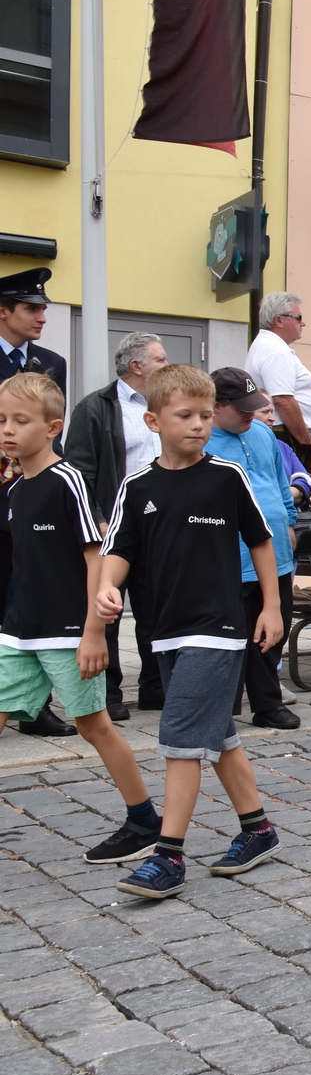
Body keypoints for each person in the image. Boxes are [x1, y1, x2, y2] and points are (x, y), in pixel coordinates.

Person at [100, 364, 284, 900]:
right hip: (166, 632)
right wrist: (106, 589)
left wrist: (271, 606)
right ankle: (258, 830)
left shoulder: (227, 477)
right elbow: (118, 550)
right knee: (216, 736)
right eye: (186, 416)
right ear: (153, 420)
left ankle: (168, 855)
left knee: (180, 742)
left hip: (220, 629)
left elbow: (262, 541)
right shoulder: (138, 487)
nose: (199, 425)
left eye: (206, 415)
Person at [0, 372, 161, 862]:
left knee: (94, 726)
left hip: (68, 632)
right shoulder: (11, 490)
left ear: (52, 428)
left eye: (19, 421)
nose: (7, 429)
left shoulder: (67, 480)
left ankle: (143, 820)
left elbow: (97, 558)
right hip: (17, 632)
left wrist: (95, 633)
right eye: (1, 419)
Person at [65, 331, 170, 720]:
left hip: (157, 526)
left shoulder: (163, 405)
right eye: (160, 359)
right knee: (106, 611)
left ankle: (156, 689)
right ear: (136, 365)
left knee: (156, 610)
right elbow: (79, 471)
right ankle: (108, 693)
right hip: (113, 527)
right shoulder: (95, 408)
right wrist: (97, 520)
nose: (167, 364)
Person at [0, 268, 74, 736]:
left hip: (35, 500)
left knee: (31, 596)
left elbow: (54, 432)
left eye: (44, 308)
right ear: (3, 312)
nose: (41, 316)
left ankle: (34, 705)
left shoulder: (51, 362)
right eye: (31, 308)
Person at [207, 369, 300, 731]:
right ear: (216, 407)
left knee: (272, 633)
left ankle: (267, 703)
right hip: (231, 557)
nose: (251, 414)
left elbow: (279, 482)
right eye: (241, 409)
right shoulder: (203, 441)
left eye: (254, 407)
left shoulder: (261, 433)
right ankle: (223, 704)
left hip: (274, 553)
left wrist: (289, 523)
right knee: (230, 634)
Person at [246, 292, 311, 470]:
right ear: (279, 320)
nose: (302, 323)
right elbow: (283, 400)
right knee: (294, 492)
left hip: (283, 434)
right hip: (285, 436)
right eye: (298, 318)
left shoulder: (267, 346)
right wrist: (304, 444)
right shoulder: (276, 351)